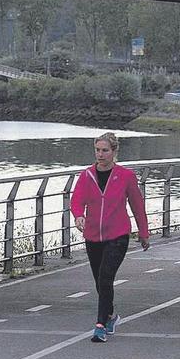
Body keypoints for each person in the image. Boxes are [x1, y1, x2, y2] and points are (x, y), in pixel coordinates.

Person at [70, 132, 150, 343]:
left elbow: (137, 206)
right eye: (97, 150)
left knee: (106, 277)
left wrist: (144, 233)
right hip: (93, 235)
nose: (100, 154)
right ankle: (111, 316)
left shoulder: (125, 176)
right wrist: (79, 216)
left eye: (105, 150)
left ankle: (100, 326)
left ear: (114, 152)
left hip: (118, 235)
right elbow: (76, 200)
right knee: (99, 282)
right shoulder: (87, 176)